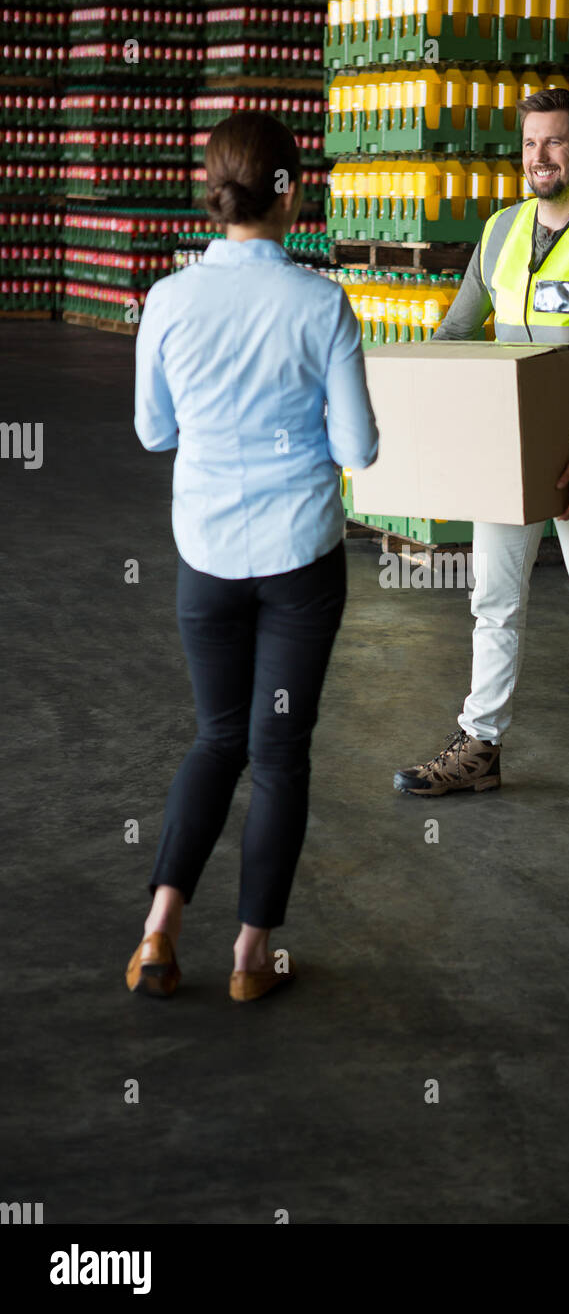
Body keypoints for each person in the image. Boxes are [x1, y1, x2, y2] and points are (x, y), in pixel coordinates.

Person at [127, 111, 377, 1002]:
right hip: (300, 562)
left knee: (216, 738)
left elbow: (155, 431)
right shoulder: (322, 303)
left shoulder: (168, 299)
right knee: (278, 754)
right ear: (292, 192)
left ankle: (159, 929)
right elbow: (358, 449)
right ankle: (249, 956)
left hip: (207, 558)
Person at [394, 88, 569, 841]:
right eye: (529, 143)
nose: (538, 158)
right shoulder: (501, 230)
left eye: (554, 144)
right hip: (506, 450)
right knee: (493, 602)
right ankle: (479, 747)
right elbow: (456, 330)